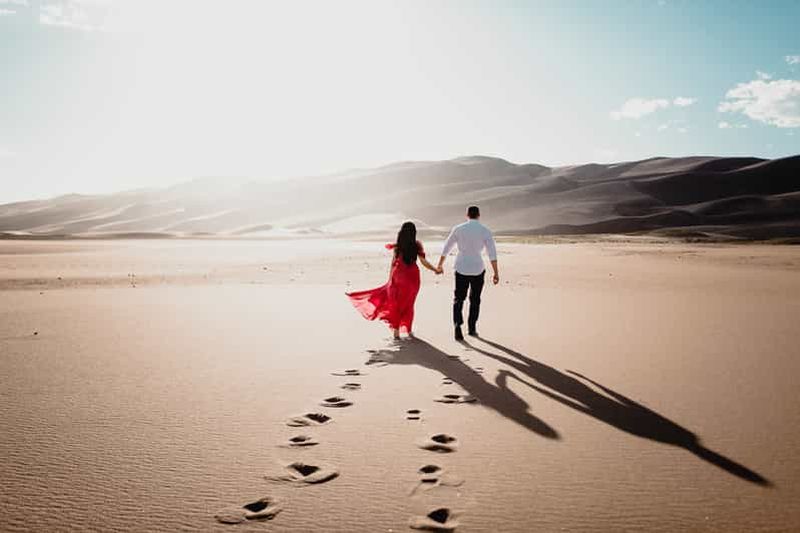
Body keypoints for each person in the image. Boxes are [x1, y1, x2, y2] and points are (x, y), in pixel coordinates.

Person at [346, 221, 440, 340]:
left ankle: (396, 332)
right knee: (409, 304)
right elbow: (423, 262)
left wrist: (390, 279)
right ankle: (409, 331)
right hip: (413, 279)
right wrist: (435, 269)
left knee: (396, 305)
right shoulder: (417, 245)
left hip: (399, 277)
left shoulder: (398, 246)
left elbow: (393, 263)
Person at [436, 205, 498, 340]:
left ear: (467, 215)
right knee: (475, 299)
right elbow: (491, 253)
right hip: (477, 268)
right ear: (479, 215)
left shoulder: (458, 229)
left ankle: (457, 325)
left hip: (461, 267)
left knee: (459, 298)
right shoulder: (485, 230)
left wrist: (440, 265)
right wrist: (496, 272)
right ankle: (472, 327)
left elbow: (447, 248)